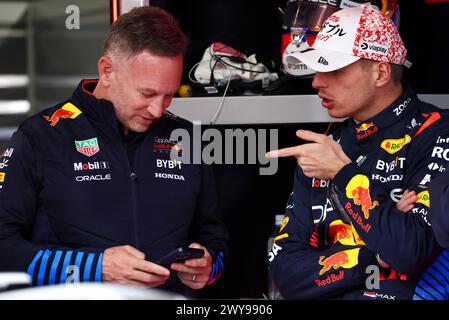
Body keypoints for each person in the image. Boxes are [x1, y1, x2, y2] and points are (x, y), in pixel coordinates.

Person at [0, 6, 227, 296]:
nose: (158, 109)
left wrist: (208, 266)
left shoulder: (186, 138)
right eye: (147, 93)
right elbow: (3, 247)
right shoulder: (39, 136)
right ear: (107, 71)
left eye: (168, 94)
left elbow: (216, 240)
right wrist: (95, 267)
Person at [266, 6, 449, 299]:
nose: (316, 82)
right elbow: (285, 272)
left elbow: (410, 252)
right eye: (317, 68)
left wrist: (344, 174)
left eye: (334, 69)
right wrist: (371, 257)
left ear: (380, 72)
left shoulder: (436, 133)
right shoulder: (325, 147)